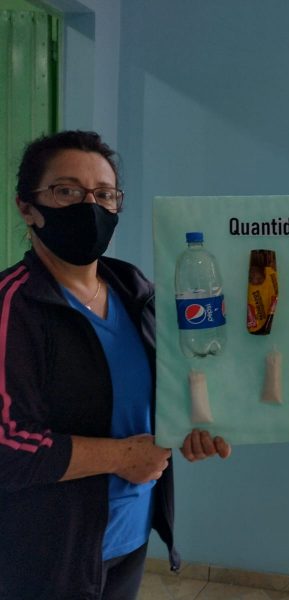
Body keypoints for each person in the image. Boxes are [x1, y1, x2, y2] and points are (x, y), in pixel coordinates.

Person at [0, 130, 232, 599]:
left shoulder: (135, 292)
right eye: (67, 191)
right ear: (27, 207)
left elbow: (152, 397)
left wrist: (189, 427)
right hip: (46, 556)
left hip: (129, 538)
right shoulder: (14, 306)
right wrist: (122, 457)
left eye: (104, 194)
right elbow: (6, 446)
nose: (90, 206)